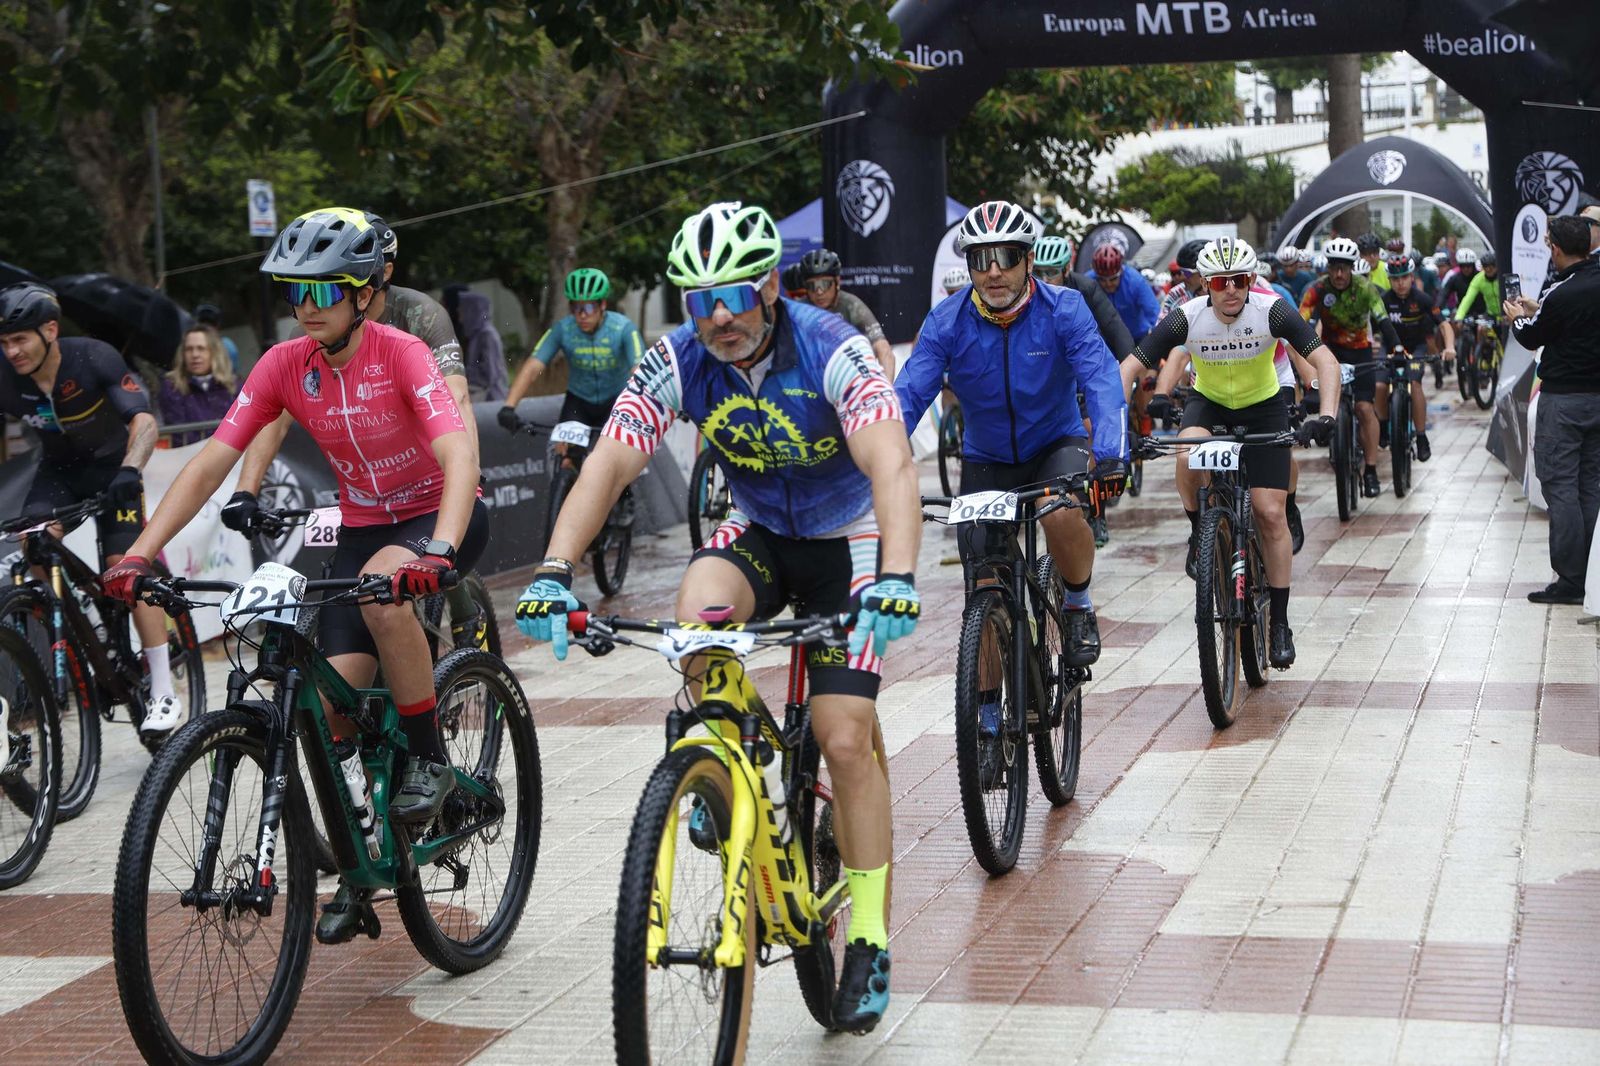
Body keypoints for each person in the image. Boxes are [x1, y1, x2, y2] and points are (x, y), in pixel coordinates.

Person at [515, 201, 919, 1033]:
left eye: (734, 294)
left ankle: (872, 937)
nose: (721, 316)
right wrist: (555, 572)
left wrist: (901, 576)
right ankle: (713, 756)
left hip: (854, 539)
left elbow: (892, 461)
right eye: (701, 301)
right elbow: (610, 464)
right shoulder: (676, 358)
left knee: (845, 736)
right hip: (764, 530)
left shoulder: (831, 346)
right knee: (697, 617)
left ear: (770, 285)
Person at [101, 207, 486, 942]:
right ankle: (367, 857)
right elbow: (212, 458)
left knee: (383, 595)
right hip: (365, 525)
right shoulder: (285, 364)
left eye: (324, 290)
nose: (306, 306)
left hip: (440, 516)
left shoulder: (403, 352)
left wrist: (438, 549)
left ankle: (430, 761)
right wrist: (139, 553)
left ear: (366, 292)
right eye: (295, 291)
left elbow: (460, 452)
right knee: (327, 708)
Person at [221, 209, 489, 652]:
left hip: (428, 459)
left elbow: (456, 397)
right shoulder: (313, 324)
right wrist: (246, 489)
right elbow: (273, 418)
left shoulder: (420, 314)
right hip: (365, 484)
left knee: (441, 526)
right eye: (303, 292)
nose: (311, 304)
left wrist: (469, 470)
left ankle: (463, 608)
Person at [897, 198, 1127, 681]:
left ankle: (1079, 605)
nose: (994, 270)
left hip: (1055, 442)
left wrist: (1109, 454)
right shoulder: (946, 321)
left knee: (1063, 510)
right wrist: (878, 463)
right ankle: (983, 718)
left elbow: (1102, 379)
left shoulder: (1064, 309)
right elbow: (908, 396)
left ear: (1027, 261)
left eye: (1006, 256)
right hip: (987, 458)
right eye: (981, 258)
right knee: (983, 587)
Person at [1120, 238, 1343, 667]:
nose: (1230, 290)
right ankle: (1197, 529)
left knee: (1270, 512)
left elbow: (1326, 362)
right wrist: (1115, 430)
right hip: (1210, 403)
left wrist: (1328, 416)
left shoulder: (1271, 308)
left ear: (1252, 279)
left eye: (1239, 280)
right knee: (1187, 455)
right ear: (1205, 283)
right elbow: (1131, 367)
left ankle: (1279, 622)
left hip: (1264, 407)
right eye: (1220, 281)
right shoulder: (1187, 317)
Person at [0, 282, 179, 733]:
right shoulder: (5, 376)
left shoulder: (92, 357)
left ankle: (162, 689)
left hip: (112, 469)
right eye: (3, 342)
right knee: (35, 549)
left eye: (19, 339)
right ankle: (84, 635)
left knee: (123, 567)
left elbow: (142, 420)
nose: (11, 351)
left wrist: (131, 470)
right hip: (59, 473)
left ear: (51, 330)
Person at [1504, 215, 1600, 604]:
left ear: (1555, 249)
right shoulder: (1586, 283)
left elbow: (1532, 336)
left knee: (1561, 488)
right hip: (1597, 399)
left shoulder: (1562, 293)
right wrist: (1539, 307)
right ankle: (1593, 575)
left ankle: (1571, 581)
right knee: (1590, 486)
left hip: (1563, 403)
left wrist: (1518, 318)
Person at [498, 267, 644, 457]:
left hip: (616, 400)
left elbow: (639, 370)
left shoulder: (623, 328)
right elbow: (533, 366)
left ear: (603, 305)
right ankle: (564, 481)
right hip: (579, 401)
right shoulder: (563, 329)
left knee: (612, 459)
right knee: (565, 456)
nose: (582, 315)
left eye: (589, 307)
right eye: (575, 307)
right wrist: (509, 406)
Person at [1298, 236, 1402, 498]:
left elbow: (1383, 320)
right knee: (1329, 405)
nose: (1340, 273)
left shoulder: (1366, 289)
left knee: (1365, 408)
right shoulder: (1318, 290)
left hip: (1360, 352)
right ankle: (1335, 440)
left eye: (1345, 267)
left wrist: (1397, 348)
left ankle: (1370, 470)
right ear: (1328, 268)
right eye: (1334, 267)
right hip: (1330, 353)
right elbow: (1298, 322)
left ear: (1353, 267)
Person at [1378, 254, 1453, 463]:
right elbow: (1368, 325)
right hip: (1389, 347)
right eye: (1395, 279)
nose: (1400, 283)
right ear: (1389, 279)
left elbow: (1444, 324)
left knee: (1415, 383)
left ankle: (1421, 437)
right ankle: (1383, 425)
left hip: (1416, 348)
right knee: (1380, 386)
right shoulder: (1382, 300)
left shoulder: (1422, 299)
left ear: (1411, 277)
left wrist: (1449, 347)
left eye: (1404, 277)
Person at [796, 248, 896, 377]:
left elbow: (883, 350)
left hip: (845, 374)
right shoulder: (798, 309)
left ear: (837, 282)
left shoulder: (851, 305)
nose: (819, 291)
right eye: (812, 286)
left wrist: (887, 392)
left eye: (825, 284)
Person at [158, 324, 237, 445]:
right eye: (189, 349)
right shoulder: (172, 388)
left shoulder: (234, 386)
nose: (195, 355)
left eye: (201, 348)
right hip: (190, 457)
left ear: (214, 352)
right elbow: (179, 434)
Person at [1087, 243, 1160, 342]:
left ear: (1121, 270)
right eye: (1102, 279)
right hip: (1107, 340)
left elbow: (1154, 312)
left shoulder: (1135, 281)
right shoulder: (1088, 282)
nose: (1108, 284)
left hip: (1138, 336)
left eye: (1113, 279)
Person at [456, 288, 510, 402]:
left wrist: (461, 376)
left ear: (472, 311)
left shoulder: (486, 335)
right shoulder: (477, 335)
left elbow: (490, 373)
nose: (460, 318)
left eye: (463, 311)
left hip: (492, 399)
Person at [1161, 240, 1210, 316]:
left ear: (1203, 273)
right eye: (1180, 272)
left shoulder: (1226, 292)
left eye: (1186, 273)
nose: (1182, 277)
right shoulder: (1176, 295)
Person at [193, 303, 240, 373]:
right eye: (203, 325)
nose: (207, 328)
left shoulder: (227, 345)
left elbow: (232, 373)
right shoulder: (192, 345)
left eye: (210, 325)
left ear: (217, 326)